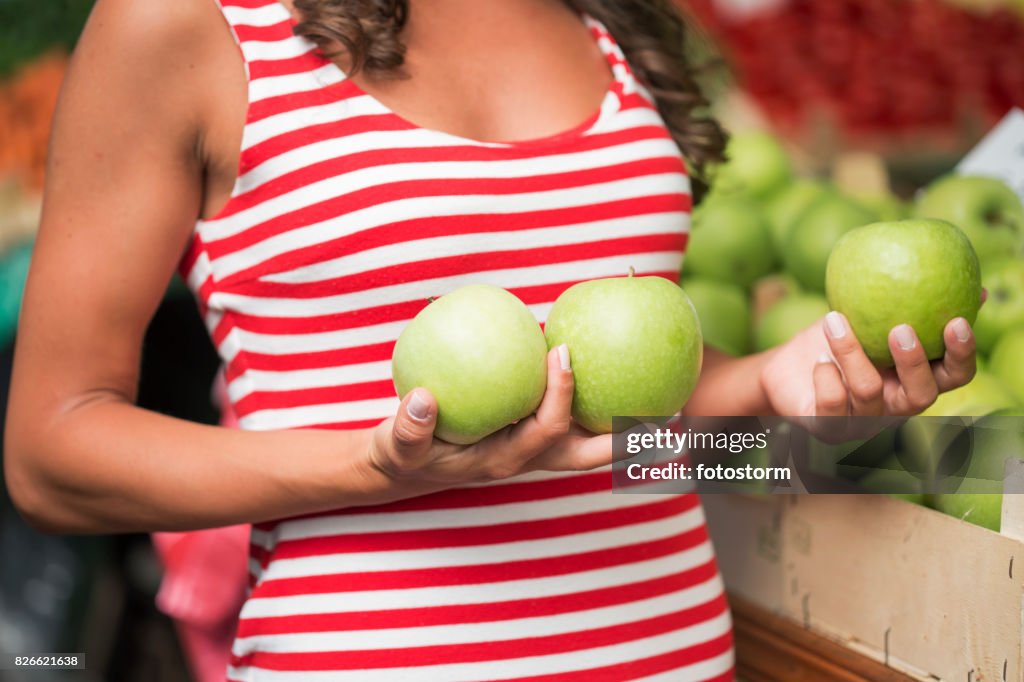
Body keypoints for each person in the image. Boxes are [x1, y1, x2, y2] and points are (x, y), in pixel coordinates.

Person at [4, 0, 978, 679]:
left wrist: (775, 381)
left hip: (667, 649)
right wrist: (373, 466)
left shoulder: (608, 19)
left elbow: (614, 419)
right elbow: (51, 452)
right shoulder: (185, 23)